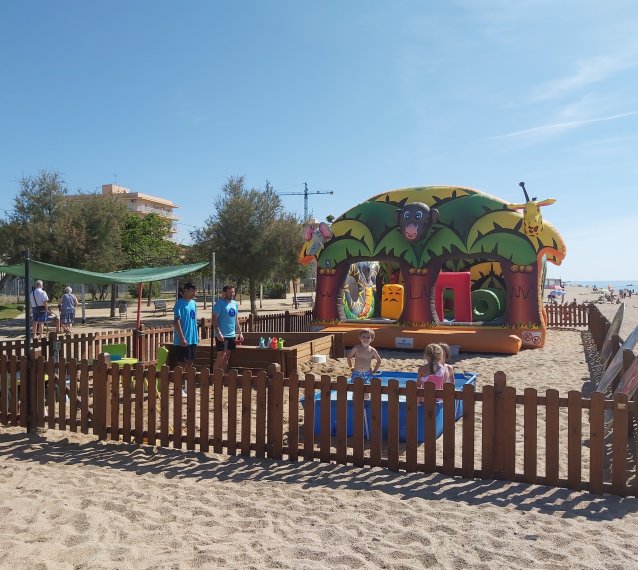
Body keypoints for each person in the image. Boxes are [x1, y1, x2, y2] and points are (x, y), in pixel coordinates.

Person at [172, 282, 199, 394]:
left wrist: (196, 335)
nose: (194, 293)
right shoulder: (179, 304)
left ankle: (187, 386)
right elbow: (176, 322)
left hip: (192, 338)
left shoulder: (193, 303)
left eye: (195, 291)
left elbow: (194, 320)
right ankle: (180, 386)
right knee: (182, 363)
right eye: (192, 291)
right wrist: (182, 337)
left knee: (190, 361)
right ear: (186, 291)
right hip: (182, 339)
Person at [212, 285, 244, 372]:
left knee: (227, 356)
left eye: (233, 292)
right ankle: (214, 377)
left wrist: (240, 332)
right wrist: (218, 333)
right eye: (230, 292)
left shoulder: (235, 304)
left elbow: (236, 319)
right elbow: (214, 319)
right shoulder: (219, 304)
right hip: (222, 335)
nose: (232, 294)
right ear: (224, 293)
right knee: (221, 356)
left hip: (231, 334)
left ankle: (222, 376)